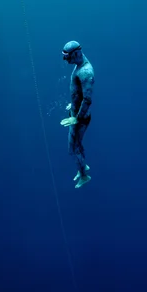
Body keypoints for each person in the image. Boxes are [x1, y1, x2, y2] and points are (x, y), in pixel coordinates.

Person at [60, 41, 94, 188]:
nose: (66, 60)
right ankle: (82, 167)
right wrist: (73, 105)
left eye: (67, 56)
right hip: (77, 113)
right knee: (75, 145)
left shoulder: (86, 72)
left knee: (73, 148)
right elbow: (79, 93)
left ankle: (84, 176)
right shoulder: (79, 67)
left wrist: (77, 118)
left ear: (76, 54)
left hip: (81, 118)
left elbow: (87, 100)